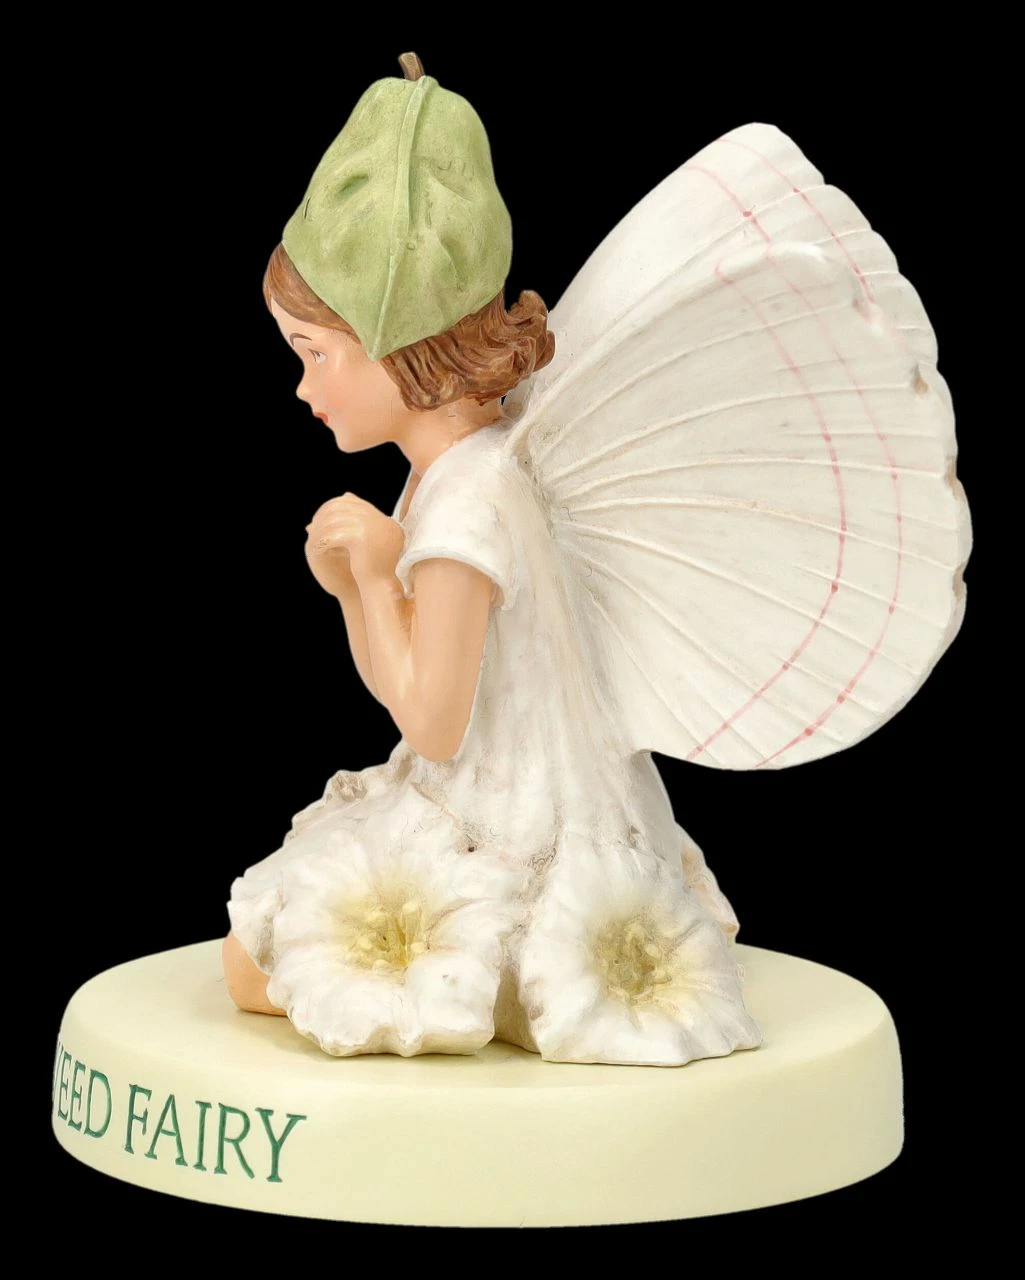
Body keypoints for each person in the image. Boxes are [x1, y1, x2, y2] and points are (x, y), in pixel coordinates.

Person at [223, 56, 968, 1065]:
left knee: (261, 966)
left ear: (398, 347)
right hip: (500, 787)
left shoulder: (463, 505)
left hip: (505, 818)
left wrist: (363, 584)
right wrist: (371, 577)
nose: (303, 386)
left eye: (316, 353)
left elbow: (432, 723)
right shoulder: (473, 465)